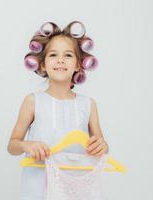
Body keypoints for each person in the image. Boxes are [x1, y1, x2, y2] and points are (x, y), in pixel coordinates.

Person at [7, 21, 109, 200]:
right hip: (38, 189)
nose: (60, 60)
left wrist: (102, 146)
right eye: (53, 55)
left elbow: (102, 146)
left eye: (68, 55)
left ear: (78, 64)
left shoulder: (89, 104)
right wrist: (27, 145)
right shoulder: (32, 101)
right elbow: (12, 146)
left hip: (76, 190)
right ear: (42, 65)